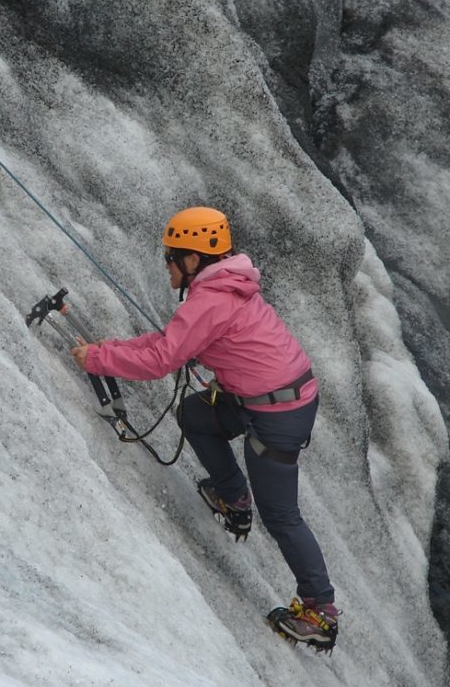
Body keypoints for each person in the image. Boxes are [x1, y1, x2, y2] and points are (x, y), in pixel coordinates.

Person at [71, 206, 340, 651]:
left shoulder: (211, 299)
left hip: (277, 415)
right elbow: (168, 343)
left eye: (172, 255)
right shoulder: (221, 289)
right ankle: (233, 497)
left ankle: (320, 610)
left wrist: (98, 359)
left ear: (195, 258)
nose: (167, 264)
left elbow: (162, 360)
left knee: (281, 514)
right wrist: (109, 348)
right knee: (196, 415)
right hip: (269, 398)